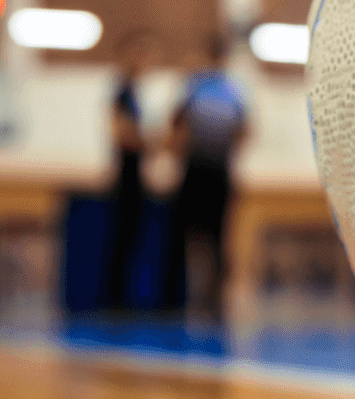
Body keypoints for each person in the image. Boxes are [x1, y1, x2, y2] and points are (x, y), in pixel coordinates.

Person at [161, 31, 248, 315]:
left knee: (213, 236)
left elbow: (245, 130)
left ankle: (210, 297)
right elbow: (177, 124)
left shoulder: (223, 89)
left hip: (210, 170)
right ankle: (182, 295)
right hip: (203, 169)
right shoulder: (202, 86)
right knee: (191, 235)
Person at [100, 30, 157, 310]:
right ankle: (114, 299)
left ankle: (122, 295)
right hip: (126, 170)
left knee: (131, 237)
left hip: (135, 170)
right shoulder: (122, 91)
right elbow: (122, 134)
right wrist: (152, 143)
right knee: (121, 237)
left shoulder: (134, 92)